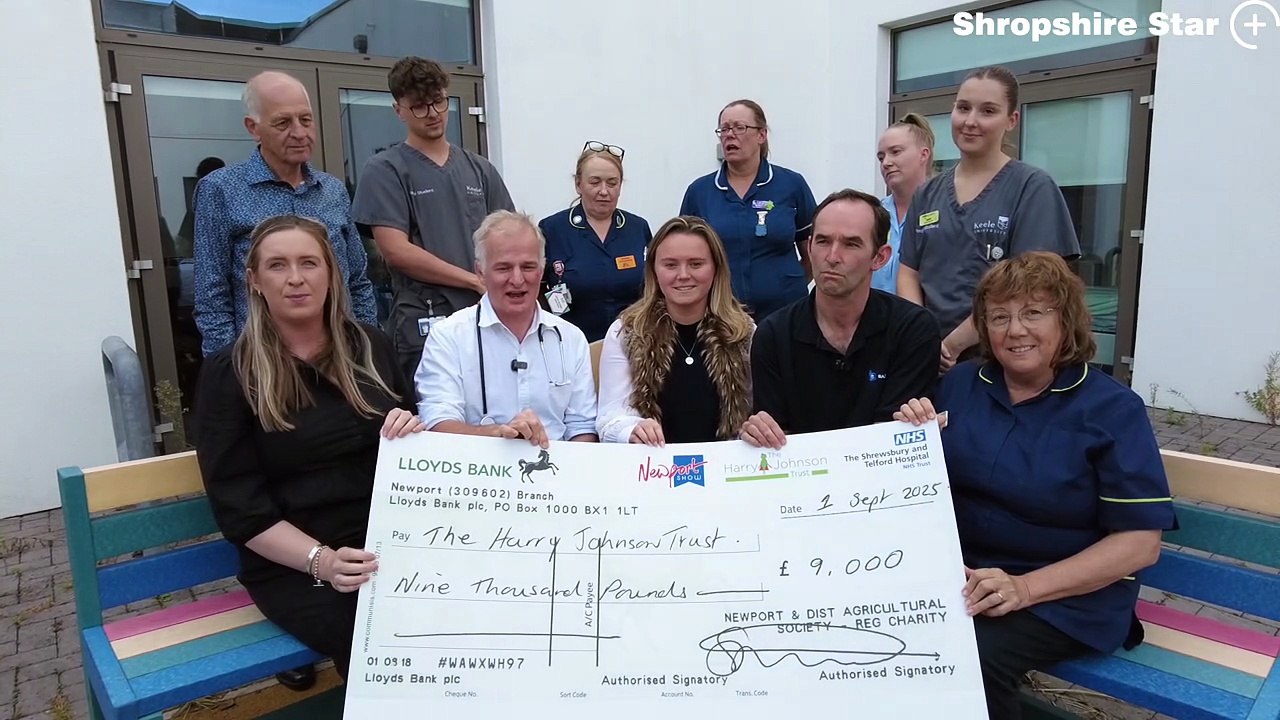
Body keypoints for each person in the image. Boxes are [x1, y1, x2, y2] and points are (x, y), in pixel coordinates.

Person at [894, 252, 1176, 720]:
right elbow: (923, 486)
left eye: (1033, 312)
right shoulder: (964, 384)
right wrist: (911, 437)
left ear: (1065, 320)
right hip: (967, 580)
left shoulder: (1112, 409)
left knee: (970, 659)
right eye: (999, 316)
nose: (1015, 330)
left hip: (1067, 595)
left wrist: (1024, 589)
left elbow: (1140, 544)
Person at [193, 215, 423, 683]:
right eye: (277, 266)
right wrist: (325, 561)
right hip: (301, 565)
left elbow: (415, 455)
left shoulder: (371, 347)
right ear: (254, 281)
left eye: (308, 263)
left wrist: (412, 432)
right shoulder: (231, 374)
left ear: (331, 273)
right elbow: (241, 510)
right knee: (382, 638)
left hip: (389, 543)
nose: (296, 278)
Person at [897, 65, 1080, 373]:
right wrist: (923, 336)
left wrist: (953, 345)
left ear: (1012, 120)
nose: (970, 121)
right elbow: (909, 272)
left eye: (988, 111)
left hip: (1001, 360)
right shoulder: (927, 193)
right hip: (930, 359)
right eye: (963, 108)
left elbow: (1032, 287)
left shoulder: (1031, 187)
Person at [352, 55, 516, 380]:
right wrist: (472, 280)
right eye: (420, 106)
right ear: (398, 109)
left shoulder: (479, 169)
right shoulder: (386, 170)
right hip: (425, 320)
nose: (433, 114)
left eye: (439, 102)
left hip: (486, 315)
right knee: (433, 418)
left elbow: (510, 236)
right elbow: (396, 252)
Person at [194, 71, 377, 356]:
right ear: (253, 128)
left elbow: (357, 279)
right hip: (265, 366)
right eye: (283, 123)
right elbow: (211, 296)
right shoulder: (221, 190)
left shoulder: (332, 190)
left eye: (306, 119)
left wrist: (366, 349)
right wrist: (230, 369)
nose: (300, 133)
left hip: (340, 360)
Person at [740, 189, 940, 449]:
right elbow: (777, 440)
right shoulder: (773, 334)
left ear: (880, 257)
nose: (832, 257)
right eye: (823, 241)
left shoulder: (913, 330)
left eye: (851, 243)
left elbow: (896, 440)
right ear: (809, 247)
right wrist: (759, 434)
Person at [416, 210, 597, 446]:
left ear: (542, 271)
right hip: (477, 474)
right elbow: (438, 422)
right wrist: (499, 436)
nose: (517, 279)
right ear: (480, 273)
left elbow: (582, 427)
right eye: (503, 268)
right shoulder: (448, 337)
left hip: (555, 472)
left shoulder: (570, 338)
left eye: (528, 267)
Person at [596, 216, 754, 445]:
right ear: (654, 270)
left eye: (696, 264)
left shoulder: (744, 332)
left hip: (725, 468)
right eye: (670, 265)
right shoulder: (627, 331)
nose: (683, 275)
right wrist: (633, 429)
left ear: (716, 269)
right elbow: (609, 418)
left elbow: (756, 415)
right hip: (652, 466)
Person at [679, 99, 817, 321]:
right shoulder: (700, 191)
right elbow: (683, 254)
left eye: (739, 127)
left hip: (785, 314)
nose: (729, 135)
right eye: (724, 129)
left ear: (761, 135)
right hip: (722, 316)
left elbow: (813, 251)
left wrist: (791, 283)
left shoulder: (791, 184)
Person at [539, 141, 652, 343]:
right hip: (572, 346)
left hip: (632, 345)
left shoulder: (638, 228)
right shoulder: (552, 229)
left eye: (612, 183)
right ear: (578, 185)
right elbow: (536, 291)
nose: (604, 191)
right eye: (594, 182)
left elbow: (653, 288)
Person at [873, 113, 935, 294]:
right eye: (881, 157)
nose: (886, 163)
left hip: (925, 318)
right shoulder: (875, 212)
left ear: (923, 155)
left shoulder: (946, 209)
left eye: (896, 152)